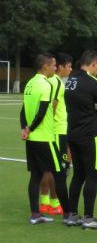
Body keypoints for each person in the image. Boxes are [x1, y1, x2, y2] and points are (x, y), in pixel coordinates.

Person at [65, 50, 97, 229]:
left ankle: (72, 214)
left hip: (73, 133)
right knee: (93, 175)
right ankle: (89, 218)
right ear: (93, 64)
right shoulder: (92, 83)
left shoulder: (71, 80)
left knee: (78, 175)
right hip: (89, 135)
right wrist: (94, 111)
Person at [20, 53, 67, 225]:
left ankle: (35, 214)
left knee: (36, 176)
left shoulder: (30, 83)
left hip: (32, 138)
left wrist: (24, 129)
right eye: (53, 65)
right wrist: (30, 127)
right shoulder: (45, 85)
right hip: (45, 138)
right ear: (45, 67)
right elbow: (42, 111)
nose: (55, 68)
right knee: (59, 173)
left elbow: (23, 110)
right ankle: (68, 213)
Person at [39, 53, 73, 219]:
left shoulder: (49, 81)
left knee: (47, 168)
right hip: (58, 131)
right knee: (59, 169)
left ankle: (45, 202)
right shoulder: (57, 82)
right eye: (69, 66)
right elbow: (52, 106)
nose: (70, 70)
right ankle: (54, 202)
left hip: (51, 132)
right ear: (60, 67)